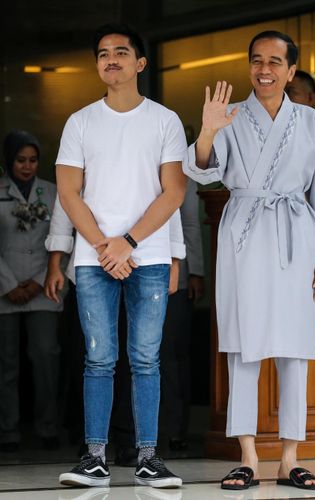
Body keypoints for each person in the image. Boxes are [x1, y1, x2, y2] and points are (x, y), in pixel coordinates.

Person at [184, 30, 315, 491]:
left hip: (298, 232)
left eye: (275, 61)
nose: (265, 69)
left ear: (292, 71)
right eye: (257, 60)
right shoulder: (231, 117)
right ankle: (248, 455)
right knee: (243, 345)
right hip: (245, 235)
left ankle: (291, 457)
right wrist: (210, 129)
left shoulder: (311, 122)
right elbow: (204, 172)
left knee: (295, 348)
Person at [55, 23, 187, 488]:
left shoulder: (165, 120)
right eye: (103, 54)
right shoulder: (80, 121)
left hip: (145, 255)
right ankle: (95, 458)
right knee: (99, 359)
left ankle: (149, 458)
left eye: (121, 52)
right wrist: (103, 246)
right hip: (95, 259)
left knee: (146, 359)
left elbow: (174, 191)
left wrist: (128, 243)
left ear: (140, 63)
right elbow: (69, 193)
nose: (111, 59)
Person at [0, 130, 61, 452]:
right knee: (5, 362)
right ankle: (7, 430)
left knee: (45, 357)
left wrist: (39, 280)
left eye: (33, 160)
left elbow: (63, 239)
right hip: (4, 289)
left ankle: (48, 427)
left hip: (43, 287)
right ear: (9, 160)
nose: (26, 166)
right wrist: (9, 285)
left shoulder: (51, 192)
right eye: (20, 160)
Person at [159, 179, 205, 450]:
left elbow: (189, 224)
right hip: (132, 268)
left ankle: (176, 429)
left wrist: (196, 271)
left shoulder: (182, 170)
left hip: (177, 274)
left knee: (172, 354)